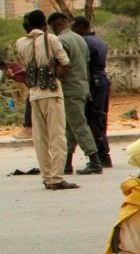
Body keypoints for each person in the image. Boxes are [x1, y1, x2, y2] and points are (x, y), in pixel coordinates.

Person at [13, 10, 77, 190]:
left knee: (40, 138)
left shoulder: (20, 43)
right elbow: (65, 62)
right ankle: (56, 178)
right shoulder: (51, 39)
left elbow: (25, 66)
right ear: (44, 24)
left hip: (34, 93)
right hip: (52, 92)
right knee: (57, 136)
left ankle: (47, 176)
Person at [48, 12, 102, 175]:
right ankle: (67, 163)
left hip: (70, 89)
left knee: (78, 124)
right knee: (70, 126)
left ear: (54, 25)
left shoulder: (60, 41)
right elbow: (85, 66)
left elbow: (64, 66)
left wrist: (54, 78)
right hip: (81, 87)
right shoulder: (80, 39)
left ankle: (94, 159)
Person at [74, 17, 112, 167]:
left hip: (93, 82)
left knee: (93, 119)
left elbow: (84, 65)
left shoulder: (85, 42)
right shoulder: (99, 40)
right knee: (100, 118)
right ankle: (104, 154)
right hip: (102, 80)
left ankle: (101, 155)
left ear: (82, 27)